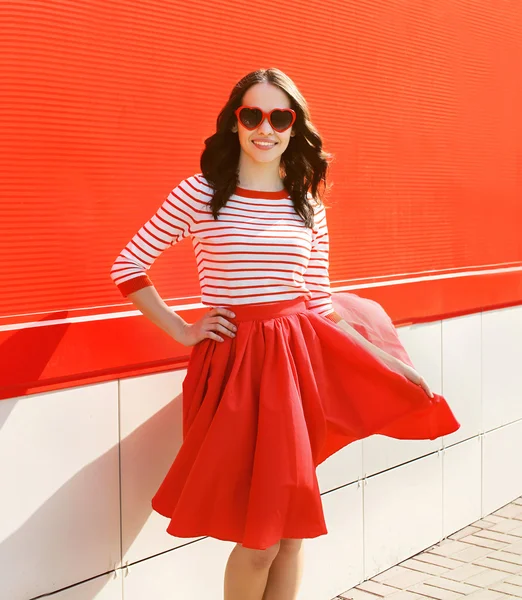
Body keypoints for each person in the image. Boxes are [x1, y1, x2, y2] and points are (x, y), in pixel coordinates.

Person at [110, 68, 460, 600]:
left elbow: (321, 304)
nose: (265, 128)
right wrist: (183, 329)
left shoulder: (307, 204)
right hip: (235, 372)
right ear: (234, 123)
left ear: (295, 127)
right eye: (252, 115)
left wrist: (393, 366)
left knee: (292, 535)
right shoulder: (201, 194)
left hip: (298, 367)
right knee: (260, 542)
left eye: (280, 116)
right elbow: (129, 266)